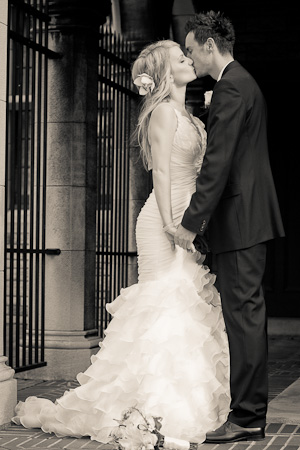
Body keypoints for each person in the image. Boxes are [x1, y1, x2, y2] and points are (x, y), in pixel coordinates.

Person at [12, 40, 231, 449]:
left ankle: (173, 402)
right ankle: (149, 404)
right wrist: (171, 225)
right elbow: (162, 175)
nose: (189, 60)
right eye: (180, 59)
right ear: (166, 73)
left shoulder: (188, 114)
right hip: (163, 221)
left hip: (185, 220)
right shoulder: (164, 112)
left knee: (184, 305)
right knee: (163, 305)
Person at [174, 10, 285, 444]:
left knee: (244, 320)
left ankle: (247, 417)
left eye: (190, 49)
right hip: (246, 220)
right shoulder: (239, 83)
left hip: (240, 222)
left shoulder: (232, 88)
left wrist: (190, 223)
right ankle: (249, 414)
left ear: (208, 45)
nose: (189, 57)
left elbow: (217, 164)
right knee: (245, 318)